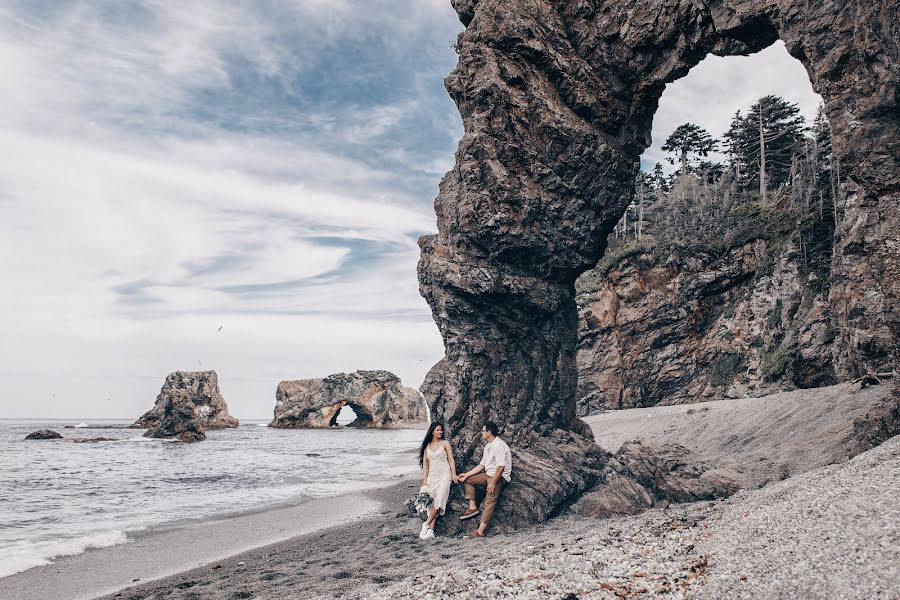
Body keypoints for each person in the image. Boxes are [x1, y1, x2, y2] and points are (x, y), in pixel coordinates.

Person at [456, 421, 512, 538]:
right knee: (468, 479)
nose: (481, 433)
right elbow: (482, 465)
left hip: (500, 478)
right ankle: (472, 508)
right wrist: (466, 474)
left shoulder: (499, 445)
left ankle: (480, 532)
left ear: (489, 432)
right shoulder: (488, 445)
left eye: (483, 431)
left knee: (490, 501)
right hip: (488, 475)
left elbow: (501, 467)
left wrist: (493, 483)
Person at [418, 421, 458, 539]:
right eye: (437, 430)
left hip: (445, 476)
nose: (440, 432)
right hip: (432, 477)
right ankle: (431, 531)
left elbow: (451, 460)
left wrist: (454, 474)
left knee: (440, 500)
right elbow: (425, 465)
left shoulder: (445, 443)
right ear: (432, 432)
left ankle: (426, 523)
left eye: (441, 430)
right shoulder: (427, 446)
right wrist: (425, 480)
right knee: (431, 504)